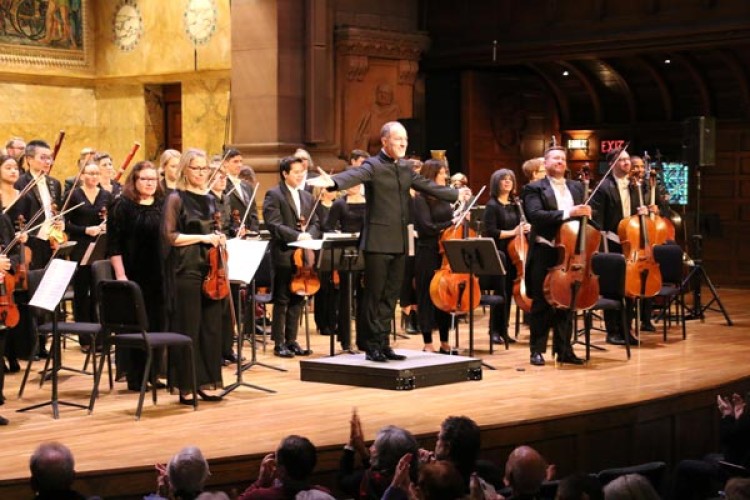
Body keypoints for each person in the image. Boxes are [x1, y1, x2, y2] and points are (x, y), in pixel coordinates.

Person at [307, 121, 470, 362]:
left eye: (405, 139)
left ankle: (383, 343)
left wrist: (455, 194)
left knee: (390, 295)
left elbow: (426, 185)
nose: (403, 142)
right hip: (377, 242)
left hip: (400, 241)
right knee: (374, 295)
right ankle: (370, 344)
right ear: (385, 141)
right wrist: (333, 182)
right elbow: (355, 174)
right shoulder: (372, 165)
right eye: (397, 139)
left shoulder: (404, 168)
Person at [162, 148, 225, 403]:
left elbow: (214, 229)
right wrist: (203, 237)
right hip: (186, 270)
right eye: (195, 168)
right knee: (189, 327)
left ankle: (206, 381)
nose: (200, 173)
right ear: (184, 170)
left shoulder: (210, 199)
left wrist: (220, 238)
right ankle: (185, 385)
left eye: (204, 168)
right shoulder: (176, 198)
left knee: (210, 328)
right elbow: (170, 236)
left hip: (211, 270)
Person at [521, 144, 590, 366]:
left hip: (570, 255)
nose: (559, 161)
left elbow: (585, 217)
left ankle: (564, 350)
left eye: (562, 158)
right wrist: (567, 213)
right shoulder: (534, 188)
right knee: (542, 303)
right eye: (555, 158)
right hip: (545, 251)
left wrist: (589, 213)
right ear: (546, 163)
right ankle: (537, 350)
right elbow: (535, 215)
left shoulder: (577, 187)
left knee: (567, 303)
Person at [108, 160, 166, 391]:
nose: (150, 183)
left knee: (158, 323)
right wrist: (121, 276)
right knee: (137, 326)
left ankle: (153, 374)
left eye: (154, 179)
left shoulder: (163, 203)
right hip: (134, 274)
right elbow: (114, 245)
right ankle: (136, 376)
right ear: (134, 180)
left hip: (160, 274)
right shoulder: (122, 206)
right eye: (145, 179)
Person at [262, 156, 321, 358]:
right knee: (282, 298)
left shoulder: (307, 196)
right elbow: (274, 224)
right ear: (285, 173)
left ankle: (291, 340)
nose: (299, 175)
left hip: (304, 255)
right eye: (295, 172)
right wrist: (297, 235)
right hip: (284, 254)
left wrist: (309, 233)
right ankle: (279, 342)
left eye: (301, 172)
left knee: (299, 297)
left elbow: (316, 221)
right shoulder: (274, 194)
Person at [590, 149, 647, 346]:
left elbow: (639, 212)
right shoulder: (603, 187)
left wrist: (644, 210)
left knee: (630, 288)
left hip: (631, 242)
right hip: (611, 241)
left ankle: (626, 328)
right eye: (621, 160)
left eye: (627, 160)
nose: (626, 163)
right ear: (612, 164)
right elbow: (597, 220)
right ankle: (612, 331)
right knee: (612, 288)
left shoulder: (635, 185)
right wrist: (605, 238)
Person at [670, 392, 750, 500]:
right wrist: (738, 420)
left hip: (743, 474)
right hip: (742, 463)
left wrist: (728, 416)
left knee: (684, 466)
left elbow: (731, 446)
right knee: (709, 457)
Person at [412, 159, 456, 354]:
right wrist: (449, 223)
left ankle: (445, 341)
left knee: (445, 296)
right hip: (427, 251)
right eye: (441, 173)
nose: (445, 176)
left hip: (444, 253)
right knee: (427, 296)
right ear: (432, 175)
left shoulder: (445, 198)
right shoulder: (420, 199)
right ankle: (428, 341)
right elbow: (426, 228)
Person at [483, 168, 530, 345]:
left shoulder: (516, 204)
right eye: (503, 179)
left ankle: (505, 330)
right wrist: (514, 231)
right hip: (500, 254)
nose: (507, 182)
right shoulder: (492, 205)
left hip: (516, 253)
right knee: (500, 292)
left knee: (509, 293)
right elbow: (491, 232)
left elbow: (522, 226)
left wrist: (526, 228)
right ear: (496, 183)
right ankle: (494, 331)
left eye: (510, 179)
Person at [65, 162, 112, 324]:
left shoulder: (106, 195)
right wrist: (85, 230)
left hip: (100, 246)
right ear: (82, 175)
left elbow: (112, 219)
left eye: (96, 173)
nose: (93, 177)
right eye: (90, 173)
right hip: (80, 246)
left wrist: (107, 225)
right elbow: (65, 224)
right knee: (82, 290)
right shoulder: (74, 195)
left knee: (98, 290)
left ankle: (98, 333)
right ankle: (84, 334)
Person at [323, 182, 366, 352]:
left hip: (365, 251)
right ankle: (346, 340)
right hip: (346, 252)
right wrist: (341, 235)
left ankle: (364, 340)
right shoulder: (340, 203)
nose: (353, 186)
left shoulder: (368, 202)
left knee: (364, 298)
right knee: (346, 298)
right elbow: (328, 226)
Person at [339, 409, 419, 499]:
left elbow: (343, 481)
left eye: (374, 446)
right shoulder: (416, 479)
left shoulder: (364, 481)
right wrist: (364, 454)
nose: (370, 448)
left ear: (382, 456)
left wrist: (350, 447)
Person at [15, 139, 64, 270]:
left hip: (52, 241)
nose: (48, 162)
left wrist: (60, 221)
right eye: (43, 158)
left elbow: (57, 210)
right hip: (32, 242)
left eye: (49, 158)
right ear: (29, 159)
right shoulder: (20, 183)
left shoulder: (55, 183)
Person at [238, 435, 334, 500]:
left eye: (276, 462)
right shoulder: (324, 494)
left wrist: (260, 482)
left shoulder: (259, 496)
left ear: (282, 471)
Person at [221, 149, 260, 234]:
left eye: (240, 161)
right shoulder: (222, 185)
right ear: (225, 163)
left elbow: (253, 212)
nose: (239, 165)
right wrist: (235, 229)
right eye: (235, 162)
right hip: (232, 234)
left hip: (249, 235)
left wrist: (253, 231)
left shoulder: (247, 186)